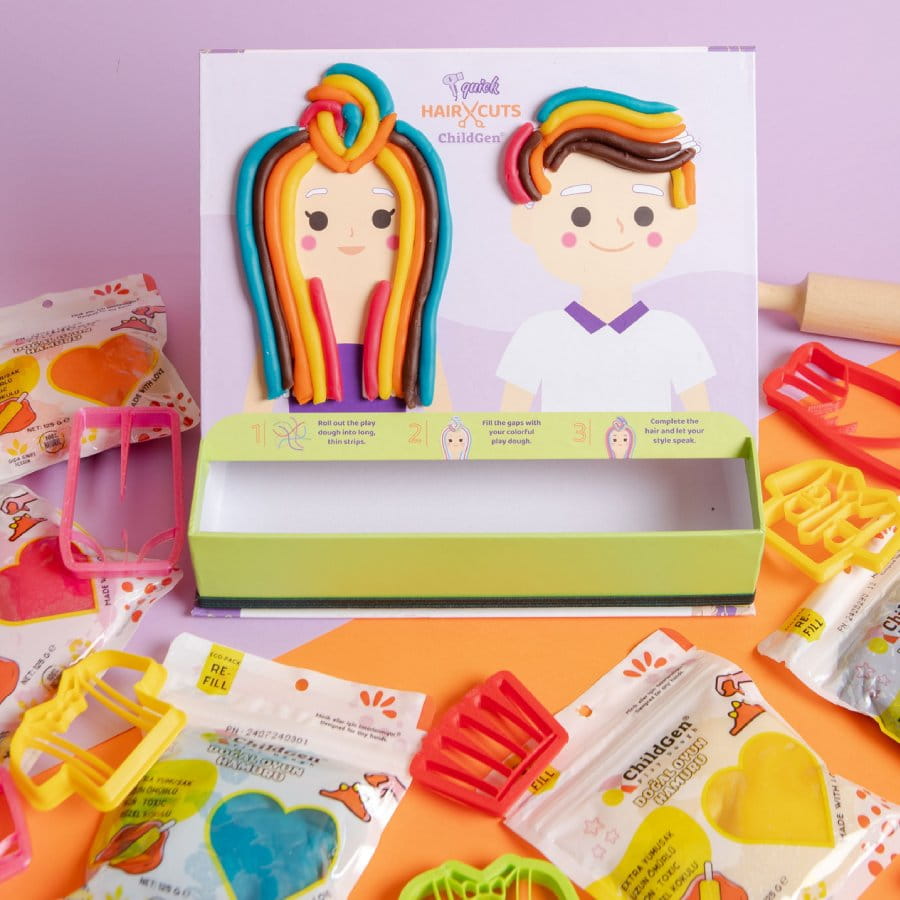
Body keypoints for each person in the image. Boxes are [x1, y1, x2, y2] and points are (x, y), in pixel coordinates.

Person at [237, 63, 451, 410]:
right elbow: (248, 416)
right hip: (299, 427)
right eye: (317, 220)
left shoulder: (407, 324)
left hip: (398, 420)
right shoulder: (290, 333)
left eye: (382, 218)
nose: (351, 234)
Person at [497, 88, 714, 413]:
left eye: (643, 215)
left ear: (684, 223)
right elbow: (509, 425)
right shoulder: (538, 335)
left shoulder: (674, 334)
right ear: (526, 223)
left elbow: (703, 424)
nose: (614, 229)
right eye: (580, 216)